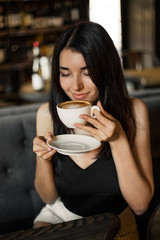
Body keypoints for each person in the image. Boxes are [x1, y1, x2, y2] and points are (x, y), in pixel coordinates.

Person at [33, 21, 154, 239]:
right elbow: (49, 198)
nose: (75, 86)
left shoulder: (134, 112)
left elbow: (140, 205)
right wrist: (43, 158)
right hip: (61, 216)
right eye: (65, 73)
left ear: (106, 70)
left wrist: (118, 140)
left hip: (116, 223)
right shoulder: (47, 115)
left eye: (87, 73)